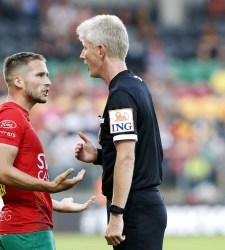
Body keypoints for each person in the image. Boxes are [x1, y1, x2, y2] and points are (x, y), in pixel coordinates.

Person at [0, 52, 95, 250]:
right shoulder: (11, 116)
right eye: (40, 75)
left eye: (48, 75)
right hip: (28, 230)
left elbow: (20, 187)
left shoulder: (14, 116)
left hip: (22, 227)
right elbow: (1, 171)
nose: (48, 82)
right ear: (18, 81)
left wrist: (55, 203)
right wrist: (49, 186)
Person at [74, 15, 167, 250]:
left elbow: (127, 157)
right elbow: (139, 151)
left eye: (85, 48)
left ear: (101, 50)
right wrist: (98, 156)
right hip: (143, 206)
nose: (82, 55)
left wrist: (117, 215)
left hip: (134, 209)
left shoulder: (121, 95)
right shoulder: (137, 85)